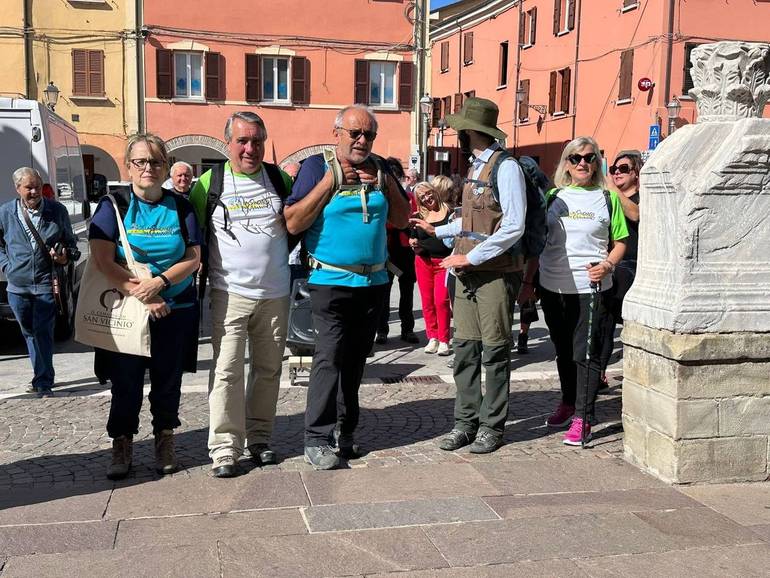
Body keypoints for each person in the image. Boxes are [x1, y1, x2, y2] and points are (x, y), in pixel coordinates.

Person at [284, 104, 411, 469]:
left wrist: (385, 184)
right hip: (329, 281)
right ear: (336, 132)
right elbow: (293, 222)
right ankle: (316, 438)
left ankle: (347, 432)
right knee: (329, 357)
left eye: (369, 134)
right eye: (354, 133)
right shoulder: (315, 166)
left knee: (355, 362)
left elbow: (402, 219)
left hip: (373, 281)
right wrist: (332, 180)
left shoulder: (382, 169)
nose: (361, 140)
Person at [412, 97, 527, 455]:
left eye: (460, 128)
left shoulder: (506, 168)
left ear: (471, 132)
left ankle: (492, 426)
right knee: (465, 351)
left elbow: (513, 225)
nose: (456, 133)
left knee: (493, 352)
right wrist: (440, 233)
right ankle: (465, 423)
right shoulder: (477, 167)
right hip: (467, 273)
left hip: (493, 274)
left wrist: (470, 256)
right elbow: (473, 219)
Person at [89, 134, 201, 479]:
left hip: (175, 308)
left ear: (165, 166)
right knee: (126, 382)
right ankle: (122, 443)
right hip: (128, 309)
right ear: (129, 166)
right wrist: (145, 295)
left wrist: (161, 284)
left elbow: (194, 257)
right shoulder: (114, 205)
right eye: (140, 161)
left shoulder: (180, 206)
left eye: (155, 161)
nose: (148, 168)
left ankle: (164, 438)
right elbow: (103, 260)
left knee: (168, 382)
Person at [189, 112, 294, 478]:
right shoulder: (208, 183)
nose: (251, 148)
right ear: (228, 144)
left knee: (268, 370)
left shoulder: (278, 179)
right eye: (243, 141)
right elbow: (191, 234)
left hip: (276, 294)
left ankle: (260, 439)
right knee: (226, 372)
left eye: (257, 141)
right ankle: (224, 448)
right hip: (229, 293)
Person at [538, 137, 629, 445]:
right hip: (552, 285)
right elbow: (540, 238)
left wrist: (608, 265)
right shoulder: (553, 196)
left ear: (597, 163)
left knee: (585, 353)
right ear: (566, 162)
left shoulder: (607, 198)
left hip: (590, 286)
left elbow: (620, 243)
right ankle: (567, 401)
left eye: (589, 158)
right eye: (575, 158)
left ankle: (583, 417)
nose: (582, 164)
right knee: (562, 349)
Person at [0, 167, 80, 398]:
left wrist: (65, 257)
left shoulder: (57, 211)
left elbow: (72, 245)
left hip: (46, 282)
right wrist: (7, 265)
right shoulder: (6, 212)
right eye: (28, 187)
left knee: (43, 331)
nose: (34, 191)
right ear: (18, 189)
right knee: (28, 331)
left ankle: (43, 380)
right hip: (17, 285)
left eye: (37, 186)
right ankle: (41, 374)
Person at [598, 150, 642, 386]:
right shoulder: (609, 200)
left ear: (636, 174)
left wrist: (611, 190)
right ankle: (598, 373)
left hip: (634, 266)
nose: (616, 173)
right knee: (602, 321)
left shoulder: (642, 197)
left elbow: (635, 214)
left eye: (624, 169)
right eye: (614, 169)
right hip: (611, 265)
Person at [375, 157, 418, 345]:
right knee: (384, 293)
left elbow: (413, 220)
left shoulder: (409, 198)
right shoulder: (379, 198)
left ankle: (407, 329)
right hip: (386, 251)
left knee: (407, 292)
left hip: (405, 251)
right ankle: (382, 330)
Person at [409, 181, 452, 355]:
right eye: (422, 197)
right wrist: (413, 243)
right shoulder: (418, 215)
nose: (427, 198)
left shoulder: (449, 212)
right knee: (427, 302)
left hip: (443, 262)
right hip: (423, 262)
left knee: (441, 301)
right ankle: (432, 337)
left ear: (434, 191)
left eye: (428, 193)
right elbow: (412, 237)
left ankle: (444, 339)